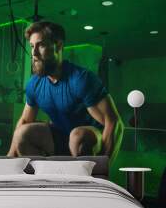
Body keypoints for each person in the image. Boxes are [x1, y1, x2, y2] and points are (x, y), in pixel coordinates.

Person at [7, 21, 123, 160]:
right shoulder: (34, 84)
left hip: (88, 140)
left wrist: (104, 168)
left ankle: (83, 177)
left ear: (59, 46)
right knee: (22, 133)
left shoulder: (81, 79)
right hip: (60, 137)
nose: (34, 53)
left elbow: (114, 122)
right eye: (32, 46)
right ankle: (48, 177)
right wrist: (10, 159)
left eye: (41, 45)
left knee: (77, 136)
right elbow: (25, 120)